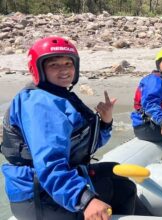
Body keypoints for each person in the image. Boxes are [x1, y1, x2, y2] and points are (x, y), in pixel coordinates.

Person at [0, 36, 150, 220]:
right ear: (38, 69)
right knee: (123, 189)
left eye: (68, 63)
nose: (64, 70)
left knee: (116, 176)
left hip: (49, 187)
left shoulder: (59, 96)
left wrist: (105, 122)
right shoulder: (40, 104)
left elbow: (84, 147)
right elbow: (49, 164)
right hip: (40, 195)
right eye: (54, 65)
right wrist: (85, 199)